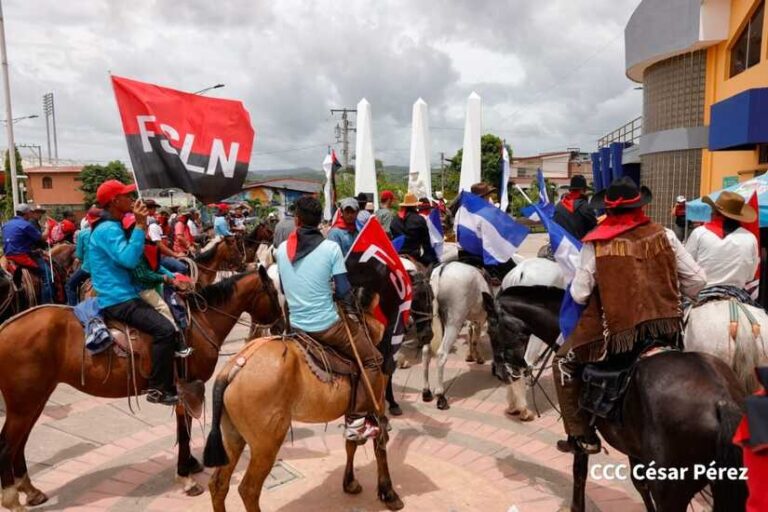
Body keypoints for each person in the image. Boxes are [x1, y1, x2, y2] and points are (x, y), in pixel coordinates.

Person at [552, 177, 706, 454]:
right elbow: (697, 281)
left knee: (563, 363)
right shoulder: (665, 235)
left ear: (608, 210)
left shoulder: (596, 244)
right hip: (666, 330)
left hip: (617, 338)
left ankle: (582, 435)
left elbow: (578, 294)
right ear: (640, 205)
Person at [275, 196, 383, 441]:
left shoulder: (282, 250)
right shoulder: (331, 248)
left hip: (295, 326)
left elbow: (284, 287)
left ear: (297, 221)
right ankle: (356, 422)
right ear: (319, 221)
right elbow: (344, 292)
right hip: (326, 327)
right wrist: (352, 312)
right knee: (374, 359)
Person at [88, 180, 181, 405]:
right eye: (126, 196)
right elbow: (129, 260)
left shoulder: (113, 225)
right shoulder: (108, 229)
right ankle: (158, 389)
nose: (132, 199)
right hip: (118, 298)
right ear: (114, 201)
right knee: (165, 329)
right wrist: (139, 226)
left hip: (125, 292)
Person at [685, 191, 759, 290]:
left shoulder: (699, 233)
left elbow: (687, 266)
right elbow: (750, 275)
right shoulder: (750, 237)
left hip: (702, 291)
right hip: (737, 293)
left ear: (715, 212)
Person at [2, 203, 54, 303]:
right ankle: (46, 303)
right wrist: (48, 227)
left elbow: (16, 241)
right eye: (31, 212)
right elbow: (42, 238)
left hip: (7, 254)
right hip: (21, 255)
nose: (33, 214)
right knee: (47, 274)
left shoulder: (6, 224)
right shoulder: (27, 225)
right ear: (26, 213)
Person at [390, 193, 438, 266]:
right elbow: (426, 243)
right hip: (413, 255)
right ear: (415, 205)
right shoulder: (419, 219)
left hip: (396, 255)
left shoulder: (394, 220)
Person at [66, 207, 101, 306]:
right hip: (106, 268)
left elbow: (79, 256)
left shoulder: (83, 233)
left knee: (70, 284)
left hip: (88, 268)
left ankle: (73, 308)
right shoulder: (111, 231)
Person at [553, 175, 597, 240]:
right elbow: (593, 227)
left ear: (571, 190)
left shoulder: (558, 206)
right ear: (582, 190)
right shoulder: (584, 206)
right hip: (580, 247)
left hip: (562, 245)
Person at [147, 208, 188, 275]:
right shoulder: (154, 226)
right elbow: (159, 245)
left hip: (165, 255)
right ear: (157, 214)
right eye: (162, 214)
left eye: (166, 215)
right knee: (182, 268)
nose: (164, 216)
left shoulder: (164, 227)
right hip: (158, 257)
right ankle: (171, 284)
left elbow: (167, 243)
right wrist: (175, 255)